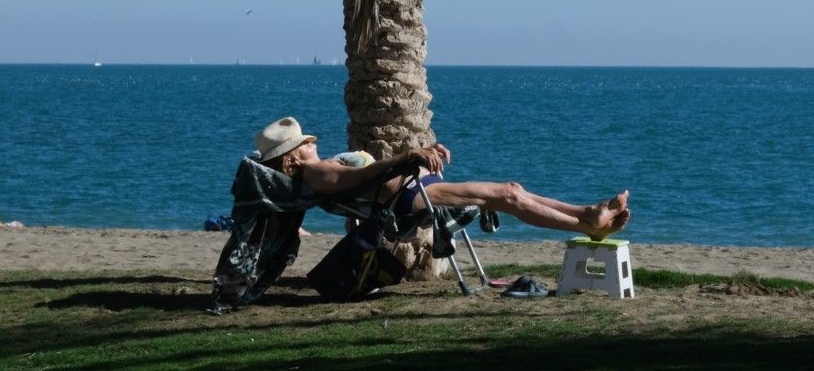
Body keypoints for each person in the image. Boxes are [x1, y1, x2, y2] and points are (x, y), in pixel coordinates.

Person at [251, 116, 631, 240]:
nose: (311, 145)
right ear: (291, 156)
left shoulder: (315, 169)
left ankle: (587, 211)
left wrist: (415, 161)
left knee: (510, 189)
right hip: (407, 199)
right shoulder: (315, 171)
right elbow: (363, 177)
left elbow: (363, 178)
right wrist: (409, 157)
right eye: (304, 144)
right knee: (505, 195)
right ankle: (588, 228)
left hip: (414, 186)